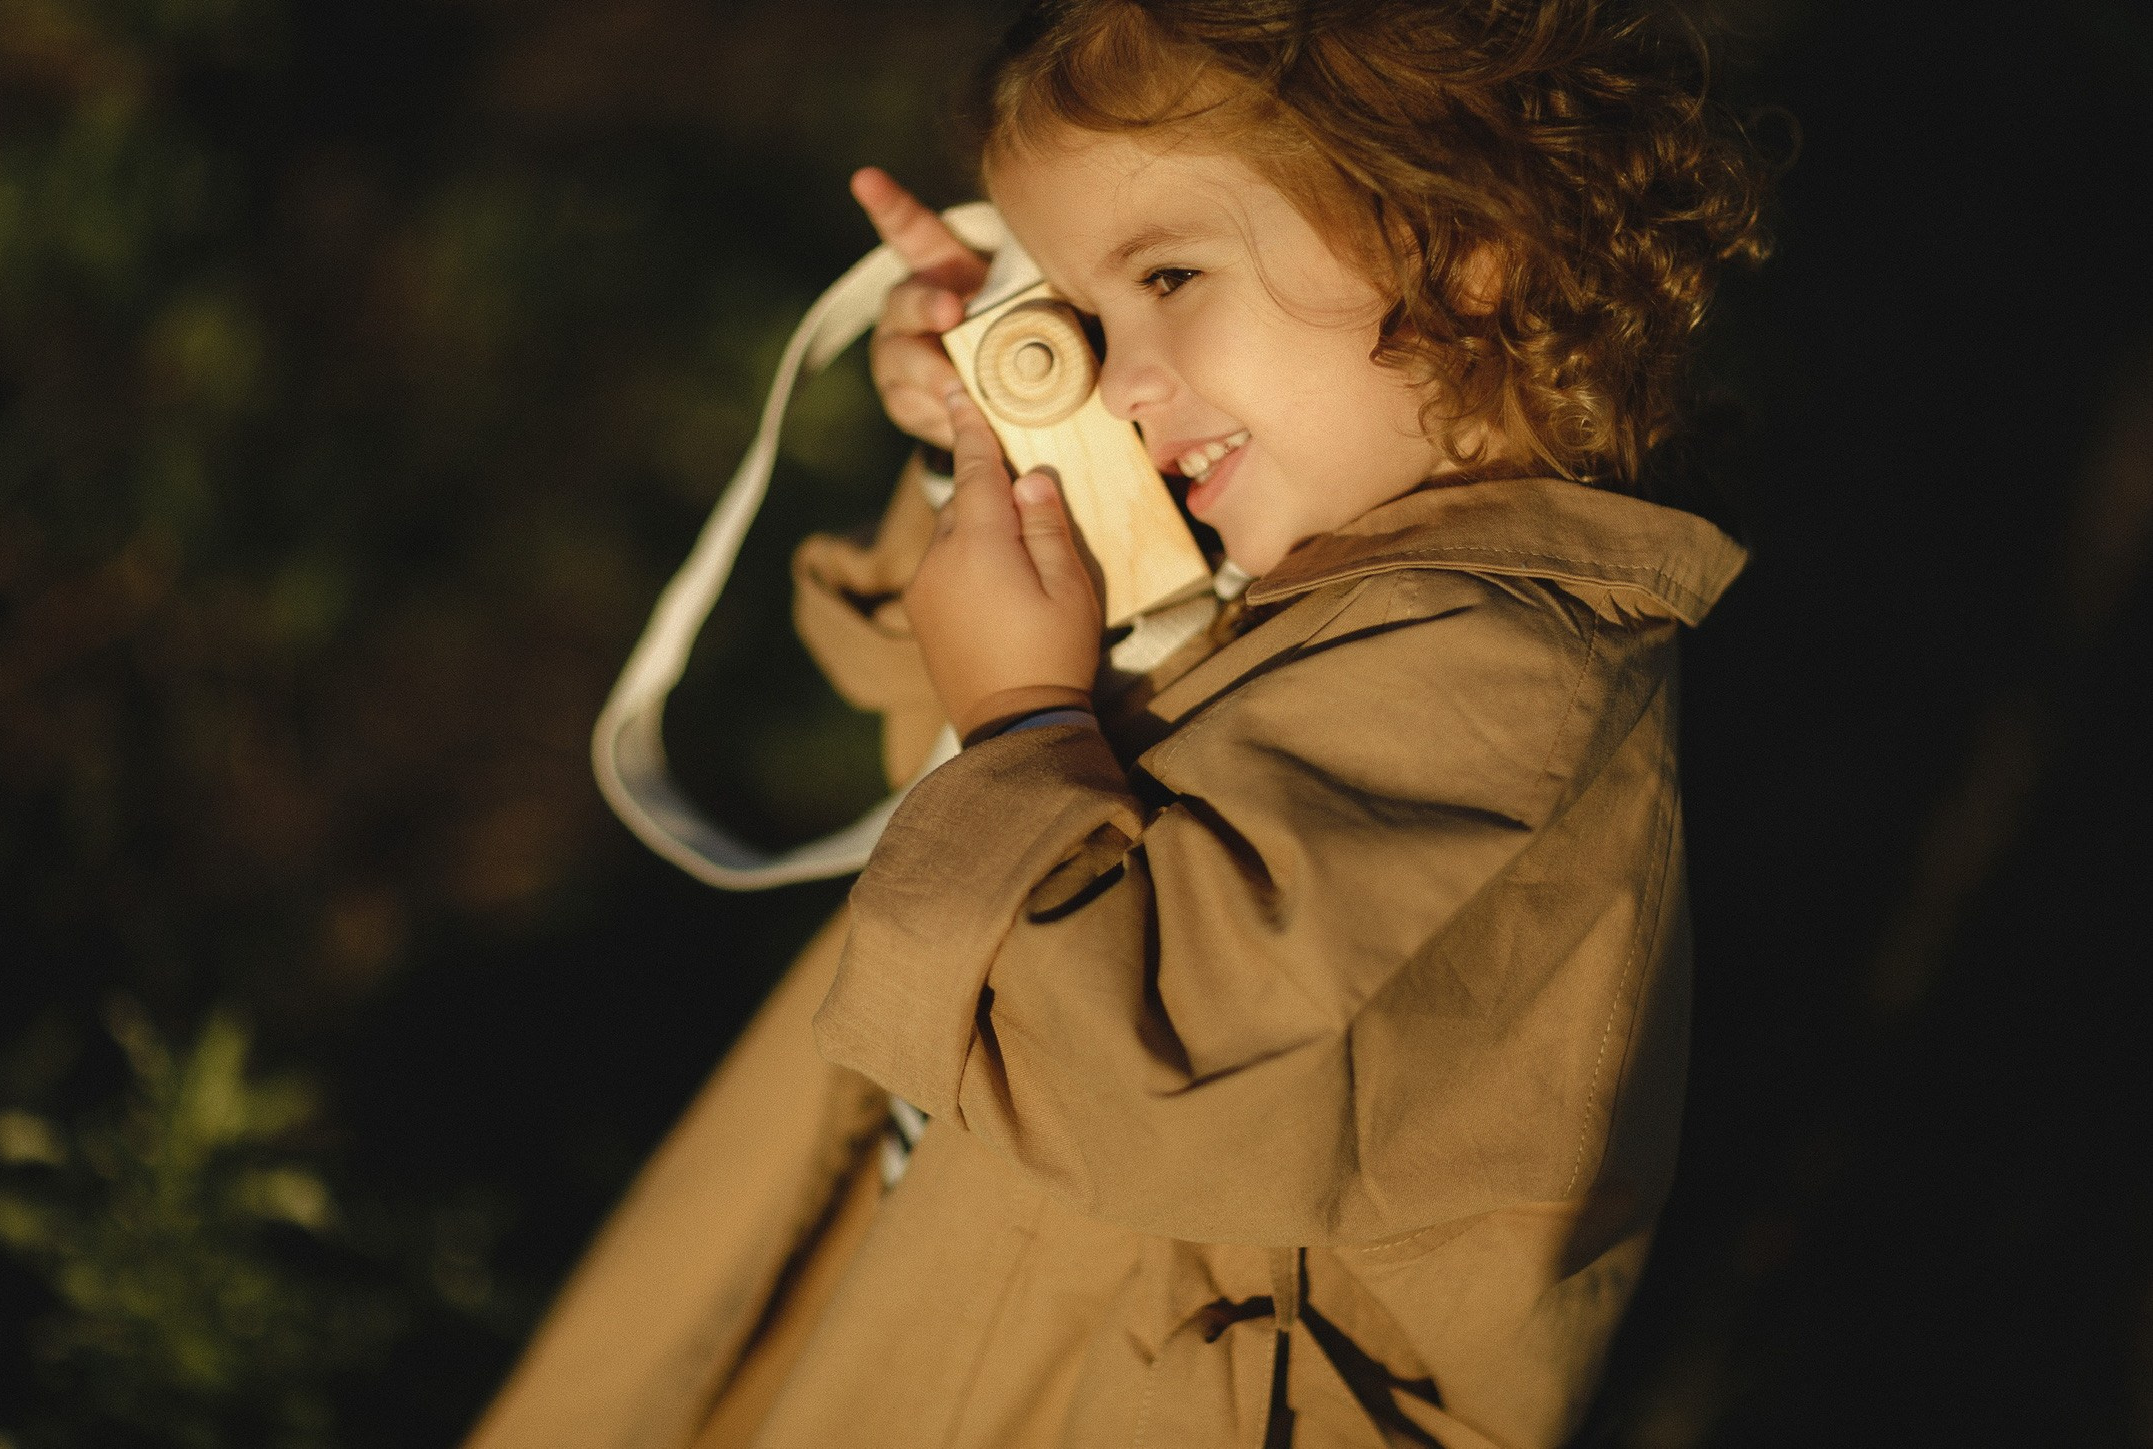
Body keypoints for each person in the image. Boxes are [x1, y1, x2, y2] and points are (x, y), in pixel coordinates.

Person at [464, 1, 1772, 1445]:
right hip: (927, 1298)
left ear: (1466, 242)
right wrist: (1002, 461)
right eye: (1079, 315)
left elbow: (1125, 1055)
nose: (1119, 383)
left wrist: (1026, 710)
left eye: (1169, 274)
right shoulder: (1299, 556)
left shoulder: (1499, 685)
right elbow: (932, 768)